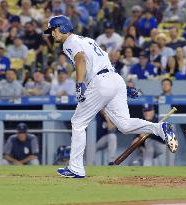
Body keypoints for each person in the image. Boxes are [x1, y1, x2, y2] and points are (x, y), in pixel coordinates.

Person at [44, 15, 178, 178]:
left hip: (100, 82)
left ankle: (76, 168)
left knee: (78, 122)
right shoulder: (89, 41)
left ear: (63, 27)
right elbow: (105, 63)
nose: (51, 33)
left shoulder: (69, 42)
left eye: (53, 29)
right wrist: (122, 88)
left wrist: (79, 84)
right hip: (115, 79)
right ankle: (159, 128)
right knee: (124, 125)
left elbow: (80, 60)